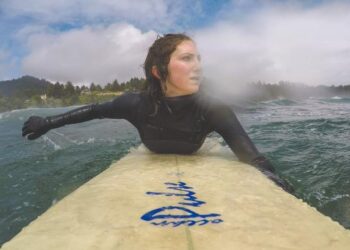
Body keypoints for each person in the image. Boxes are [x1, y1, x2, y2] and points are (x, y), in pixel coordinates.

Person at [22, 33, 294, 193]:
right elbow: (95, 110)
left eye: (199, 58)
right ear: (158, 71)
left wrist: (277, 184)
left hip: (195, 148)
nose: (198, 66)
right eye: (187, 58)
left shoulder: (213, 109)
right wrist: (48, 122)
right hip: (153, 147)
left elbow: (254, 159)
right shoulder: (135, 104)